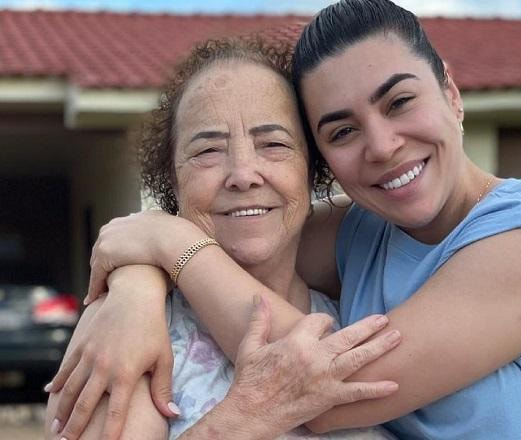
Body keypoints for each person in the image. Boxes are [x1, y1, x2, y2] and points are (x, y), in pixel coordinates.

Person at [48, 0, 521, 438]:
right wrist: (133, 293)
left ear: (452, 95)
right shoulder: (358, 236)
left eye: (400, 101)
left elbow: (330, 391)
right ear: (325, 157)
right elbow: (239, 237)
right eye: (343, 130)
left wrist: (163, 233)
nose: (381, 146)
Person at [45, 38, 400, 440]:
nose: (243, 174)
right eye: (208, 150)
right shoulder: (134, 326)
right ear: (172, 182)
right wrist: (246, 417)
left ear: (313, 171)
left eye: (273, 144)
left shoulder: (361, 309)